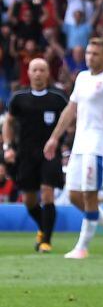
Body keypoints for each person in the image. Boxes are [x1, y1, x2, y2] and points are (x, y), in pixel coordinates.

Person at [43, 38, 103, 259]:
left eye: (95, 53)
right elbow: (70, 109)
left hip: (97, 144)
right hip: (79, 144)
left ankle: (82, 247)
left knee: (89, 195)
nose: (89, 57)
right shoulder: (82, 78)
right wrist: (54, 138)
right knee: (74, 195)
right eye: (88, 52)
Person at [4, 58, 67, 252]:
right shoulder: (18, 98)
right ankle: (42, 228)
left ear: (48, 73)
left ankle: (46, 241)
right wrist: (8, 146)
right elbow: (9, 122)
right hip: (25, 154)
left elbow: (68, 120)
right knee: (29, 199)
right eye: (35, 70)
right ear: (29, 73)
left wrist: (61, 143)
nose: (38, 73)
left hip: (49, 153)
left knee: (47, 194)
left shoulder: (58, 97)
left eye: (42, 70)